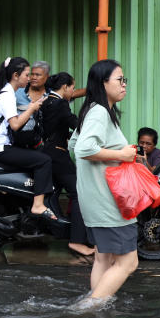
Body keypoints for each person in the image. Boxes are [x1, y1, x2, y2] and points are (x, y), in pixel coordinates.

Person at [71, 59, 139, 299]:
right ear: (103, 82)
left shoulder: (93, 109)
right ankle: (90, 308)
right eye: (119, 80)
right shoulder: (100, 112)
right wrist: (121, 154)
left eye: (124, 80)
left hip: (94, 199)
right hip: (108, 201)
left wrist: (108, 159)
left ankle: (96, 312)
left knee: (103, 257)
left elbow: (74, 144)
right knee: (128, 262)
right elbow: (84, 149)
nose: (124, 85)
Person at [0, 56, 58, 220]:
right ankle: (38, 205)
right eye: (26, 74)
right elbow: (15, 124)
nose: (29, 78)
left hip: (0, 146)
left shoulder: (6, 92)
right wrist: (31, 108)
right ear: (16, 76)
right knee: (43, 160)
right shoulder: (7, 95)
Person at [41, 72, 95, 260]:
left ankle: (58, 225)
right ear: (65, 87)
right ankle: (77, 240)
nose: (73, 91)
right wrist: (93, 126)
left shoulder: (46, 100)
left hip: (47, 152)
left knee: (54, 191)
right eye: (72, 87)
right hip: (58, 154)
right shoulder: (61, 103)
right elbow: (74, 122)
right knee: (78, 192)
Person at [15, 60, 87, 108]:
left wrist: (94, 88)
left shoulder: (52, 93)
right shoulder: (17, 92)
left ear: (46, 77)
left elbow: (73, 93)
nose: (33, 77)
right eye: (32, 74)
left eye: (37, 75)